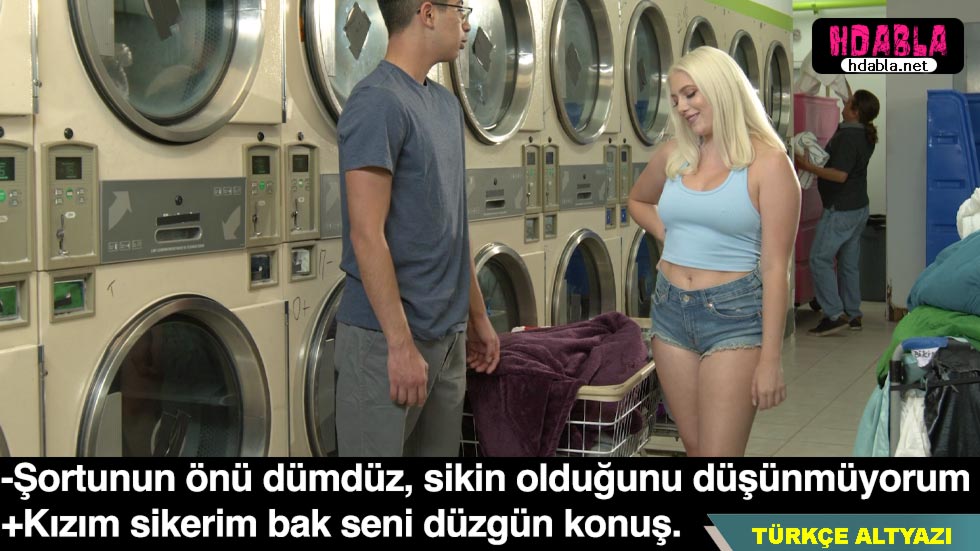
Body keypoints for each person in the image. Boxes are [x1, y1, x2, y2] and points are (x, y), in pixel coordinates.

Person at [334, 0, 499, 457]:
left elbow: (453, 227)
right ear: (427, 13)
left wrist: (477, 317)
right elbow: (367, 234)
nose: (466, 24)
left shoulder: (446, 105)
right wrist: (400, 344)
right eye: (460, 10)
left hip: (446, 339)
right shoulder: (376, 102)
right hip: (386, 343)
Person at [628, 47, 800, 457]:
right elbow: (637, 200)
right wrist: (672, 238)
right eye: (675, 100)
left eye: (690, 94)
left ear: (722, 88)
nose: (682, 107)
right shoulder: (675, 155)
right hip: (670, 310)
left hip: (734, 317)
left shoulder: (769, 164)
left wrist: (771, 359)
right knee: (694, 447)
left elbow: (776, 268)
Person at [795, 90, 880, 336]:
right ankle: (853, 314)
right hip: (858, 208)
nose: (845, 102)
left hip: (840, 210)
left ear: (855, 111)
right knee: (848, 264)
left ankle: (834, 314)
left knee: (819, 259)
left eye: (849, 102)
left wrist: (808, 166)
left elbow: (840, 175)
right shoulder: (864, 133)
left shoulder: (847, 138)